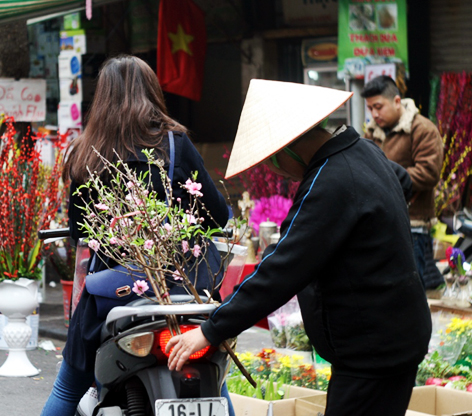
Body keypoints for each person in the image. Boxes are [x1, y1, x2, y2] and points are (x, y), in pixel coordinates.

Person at [166, 80, 432, 416]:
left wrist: (210, 330)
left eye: (274, 162)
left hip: (371, 352)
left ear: (288, 148)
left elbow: (281, 270)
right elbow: (404, 181)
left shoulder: (329, 180)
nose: (280, 173)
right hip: (396, 335)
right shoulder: (364, 150)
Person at [41, 55, 231, 416]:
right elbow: (216, 216)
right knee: (217, 387)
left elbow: (80, 229)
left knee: (68, 387)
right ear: (152, 93)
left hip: (111, 297)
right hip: (182, 293)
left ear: (102, 97)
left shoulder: (86, 152)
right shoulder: (175, 144)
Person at [361, 75, 444, 290]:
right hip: (379, 223)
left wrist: (382, 178)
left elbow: (428, 172)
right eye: (370, 108)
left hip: (413, 224)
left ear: (397, 101)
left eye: (378, 106)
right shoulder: (371, 133)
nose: (374, 114)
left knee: (411, 290)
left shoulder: (422, 129)